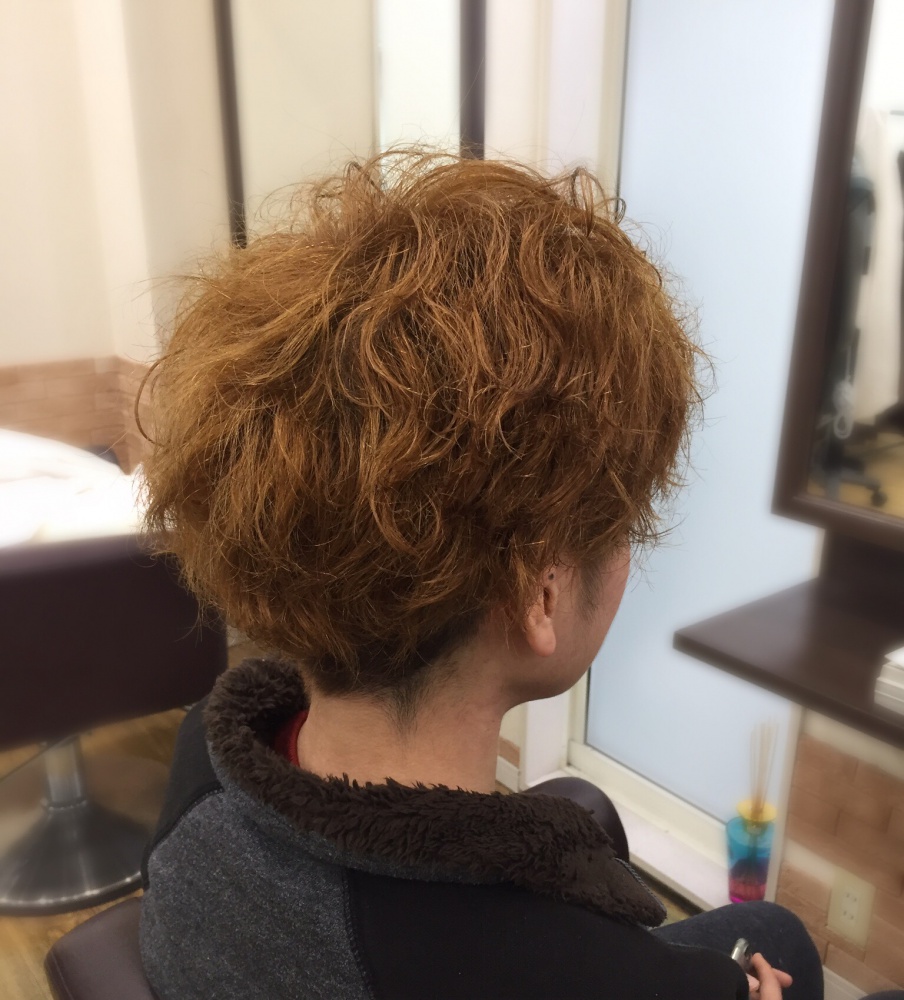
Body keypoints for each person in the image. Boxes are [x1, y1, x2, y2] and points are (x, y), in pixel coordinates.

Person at [137, 152, 901, 999]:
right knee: (783, 944)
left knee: (774, 929)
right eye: (620, 523)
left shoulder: (209, 755)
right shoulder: (565, 970)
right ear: (540, 592)